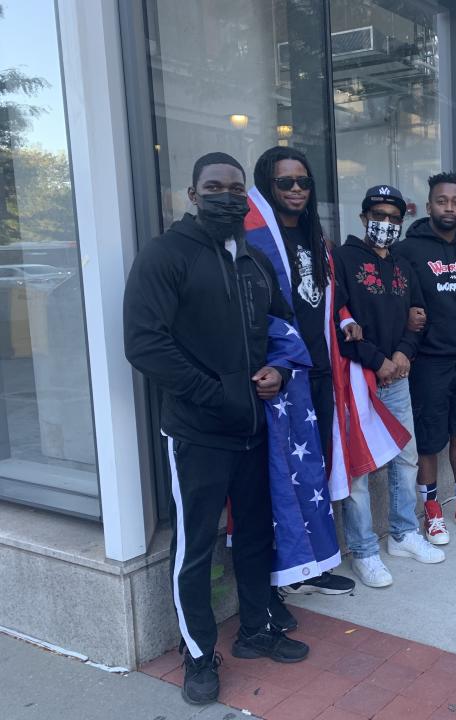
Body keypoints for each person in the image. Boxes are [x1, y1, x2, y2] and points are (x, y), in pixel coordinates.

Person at [123, 153, 309, 706]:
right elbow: (145, 345)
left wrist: (279, 371)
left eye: (235, 187)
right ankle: (199, 654)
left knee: (255, 534)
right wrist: (218, 395)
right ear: (192, 193)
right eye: (214, 187)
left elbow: (284, 332)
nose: (226, 196)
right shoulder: (164, 256)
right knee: (196, 546)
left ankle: (256, 628)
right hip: (198, 433)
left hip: (254, 429)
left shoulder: (253, 261)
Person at [250, 146, 355, 623]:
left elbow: (331, 301)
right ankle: (279, 576)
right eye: (285, 183)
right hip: (280, 378)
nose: (296, 190)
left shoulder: (319, 241)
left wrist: (347, 317)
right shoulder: (254, 240)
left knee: (313, 475)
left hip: (319, 374)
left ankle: (312, 564)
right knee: (281, 481)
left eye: (303, 182)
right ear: (267, 188)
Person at [333, 184, 445, 587]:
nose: (386, 224)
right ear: (364, 219)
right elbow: (338, 320)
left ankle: (403, 533)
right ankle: (363, 551)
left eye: (394, 218)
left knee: (405, 458)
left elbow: (418, 315)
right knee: (359, 470)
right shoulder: (342, 260)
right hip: (357, 380)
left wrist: (402, 355)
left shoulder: (402, 264)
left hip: (397, 376)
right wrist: (376, 359)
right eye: (378, 216)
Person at [394, 172, 456, 544]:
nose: (449, 207)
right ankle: (432, 510)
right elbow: (394, 299)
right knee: (429, 441)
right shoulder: (408, 250)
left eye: (455, 201)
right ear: (429, 204)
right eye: (441, 201)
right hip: (428, 362)